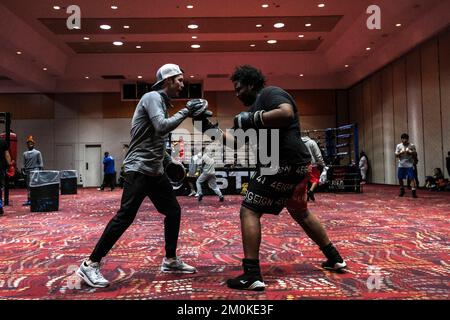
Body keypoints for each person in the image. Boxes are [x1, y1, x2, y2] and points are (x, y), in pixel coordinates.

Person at [197, 65, 346, 291]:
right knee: (301, 212)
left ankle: (252, 274)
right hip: (293, 165)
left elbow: (286, 113)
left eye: (238, 89)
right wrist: (205, 126)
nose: (236, 94)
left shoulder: (269, 93)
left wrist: (252, 119)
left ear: (250, 84)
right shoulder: (252, 112)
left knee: (249, 210)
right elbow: (235, 143)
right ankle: (334, 258)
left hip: (281, 163)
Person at [76, 63, 210, 288]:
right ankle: (90, 264)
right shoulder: (151, 97)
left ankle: (170, 260)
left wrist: (169, 160)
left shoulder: (163, 103)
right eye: (178, 79)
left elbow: (153, 139)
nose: (182, 83)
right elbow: (160, 127)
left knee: (173, 211)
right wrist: (186, 111)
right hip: (138, 169)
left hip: (154, 171)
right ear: (167, 81)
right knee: (125, 216)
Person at [301, 135, 324, 201]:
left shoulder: (299, 142)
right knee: (315, 178)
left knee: (305, 180)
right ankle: (310, 191)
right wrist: (322, 164)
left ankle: (306, 194)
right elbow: (318, 155)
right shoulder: (312, 142)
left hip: (302, 163)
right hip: (312, 164)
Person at [22, 136, 43, 206]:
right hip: (28, 171)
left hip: (35, 171)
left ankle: (36, 199)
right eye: (28, 143)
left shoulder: (37, 153)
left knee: (36, 185)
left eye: (31, 143)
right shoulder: (25, 154)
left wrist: (41, 172)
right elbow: (23, 164)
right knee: (29, 186)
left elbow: (41, 164)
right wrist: (23, 171)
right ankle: (29, 199)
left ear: (33, 144)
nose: (29, 144)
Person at [395, 133, 418, 198]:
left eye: (406, 139)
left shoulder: (412, 145)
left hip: (409, 164)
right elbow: (396, 155)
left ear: (408, 139)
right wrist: (400, 153)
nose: (405, 140)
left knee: (411, 178)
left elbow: (415, 154)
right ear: (401, 139)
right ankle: (402, 190)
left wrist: (410, 152)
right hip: (401, 164)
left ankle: (413, 192)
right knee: (400, 178)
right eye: (403, 139)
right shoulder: (399, 146)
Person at [0, 138, 12, 215]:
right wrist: (10, 165)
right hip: (0, 168)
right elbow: (7, 155)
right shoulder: (3, 142)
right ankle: (0, 208)